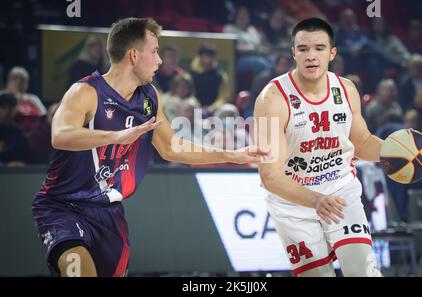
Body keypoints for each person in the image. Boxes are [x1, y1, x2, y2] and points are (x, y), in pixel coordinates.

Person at [32, 18, 270, 277]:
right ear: (134, 55)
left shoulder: (149, 96)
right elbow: (61, 135)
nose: (159, 61)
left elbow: (171, 148)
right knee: (78, 269)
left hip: (109, 211)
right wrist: (116, 136)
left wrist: (231, 155)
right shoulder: (85, 92)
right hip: (63, 206)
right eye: (155, 51)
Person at [254, 18, 385, 277]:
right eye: (303, 49)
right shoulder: (272, 98)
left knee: (362, 271)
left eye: (319, 48)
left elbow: (363, 142)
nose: (311, 56)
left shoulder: (346, 89)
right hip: (293, 201)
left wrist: (400, 151)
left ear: (332, 53)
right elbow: (270, 176)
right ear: (293, 53)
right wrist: (315, 200)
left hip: (339, 190)